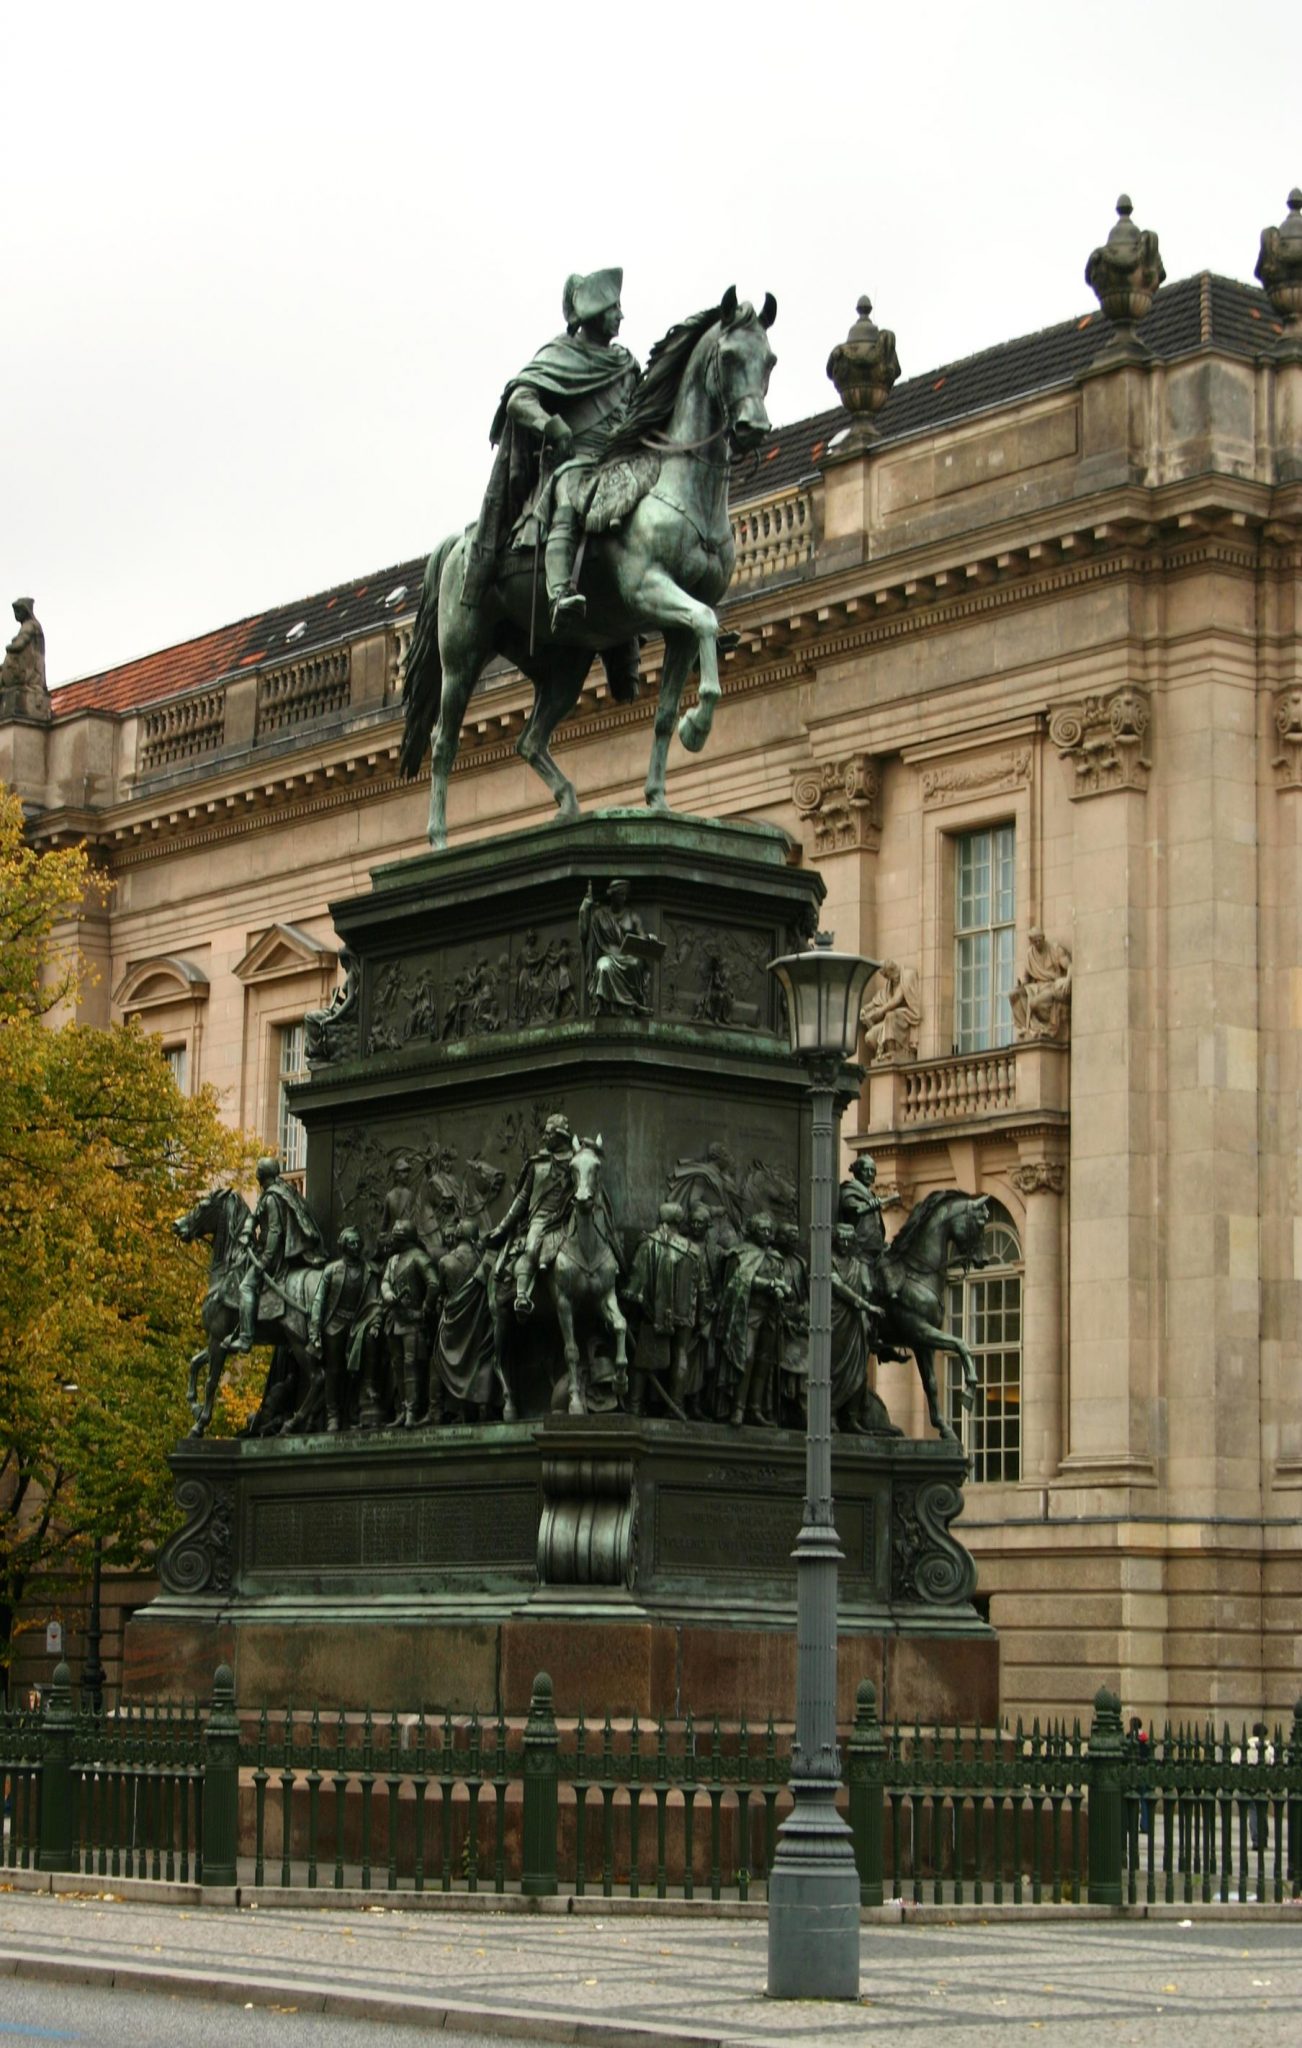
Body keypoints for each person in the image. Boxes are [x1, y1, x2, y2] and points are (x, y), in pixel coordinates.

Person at [463, 268, 641, 642]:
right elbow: (518, 400)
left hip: (620, 462)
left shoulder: (626, 364)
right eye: (614, 308)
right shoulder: (560, 354)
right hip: (575, 461)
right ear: (595, 312)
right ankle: (559, 592)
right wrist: (550, 425)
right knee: (571, 493)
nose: (621, 316)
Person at [225, 1157, 327, 1354]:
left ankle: (245, 1338)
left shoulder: (272, 1198)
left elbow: (275, 1232)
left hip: (273, 1255)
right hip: (262, 1249)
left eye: (258, 1171)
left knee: (246, 1286)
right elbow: (254, 1217)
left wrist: (265, 1261)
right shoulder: (273, 1192)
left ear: (261, 1174)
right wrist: (247, 1232)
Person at [486, 1112, 578, 1317]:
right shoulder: (537, 1164)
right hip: (541, 1218)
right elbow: (522, 1199)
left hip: (568, 1216)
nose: (544, 1138)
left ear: (560, 1136)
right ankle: (521, 1295)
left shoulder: (576, 1161)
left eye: (548, 1134)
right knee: (531, 1247)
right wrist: (502, 1227)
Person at [625, 1202, 699, 1417]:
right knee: (681, 1354)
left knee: (643, 1357)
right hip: (685, 1314)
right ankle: (676, 1405)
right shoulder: (692, 1250)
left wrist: (629, 1308)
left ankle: (636, 1405)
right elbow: (699, 1286)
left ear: (660, 1218)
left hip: (654, 1311)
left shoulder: (648, 1244)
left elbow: (636, 1283)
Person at [717, 1212, 789, 1427]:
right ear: (752, 1231)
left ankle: (755, 1408)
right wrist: (770, 1285)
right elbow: (737, 1280)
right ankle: (737, 1408)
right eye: (762, 1230)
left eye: (769, 1230)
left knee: (765, 1361)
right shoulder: (740, 1253)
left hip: (771, 1314)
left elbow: (784, 1283)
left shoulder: (775, 1257)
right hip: (748, 1313)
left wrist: (783, 1290)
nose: (767, 1234)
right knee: (745, 1358)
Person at [305, 1226, 371, 1432]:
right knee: (334, 1371)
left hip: (358, 1324)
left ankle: (353, 1412)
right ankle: (332, 1415)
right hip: (334, 1326)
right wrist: (314, 1332)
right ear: (343, 1246)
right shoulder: (332, 1270)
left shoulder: (368, 1270)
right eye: (351, 1243)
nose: (356, 1246)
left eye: (358, 1243)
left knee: (356, 1370)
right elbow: (318, 1302)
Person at [380, 1218, 440, 1428]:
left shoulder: (419, 1258)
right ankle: (403, 1409)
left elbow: (434, 1283)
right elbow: (386, 1281)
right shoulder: (393, 1260)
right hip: (394, 1321)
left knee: (412, 1365)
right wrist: (388, 1295)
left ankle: (413, 1411)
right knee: (398, 1367)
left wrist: (426, 1307)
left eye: (395, 1237)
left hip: (413, 1322)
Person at [579, 879, 656, 1016]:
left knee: (635, 963)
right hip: (608, 956)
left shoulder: (632, 915)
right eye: (621, 894)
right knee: (603, 967)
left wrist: (649, 938)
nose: (624, 898)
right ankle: (631, 1006)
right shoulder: (599, 915)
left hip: (628, 957)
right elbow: (584, 935)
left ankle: (633, 1003)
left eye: (625, 895)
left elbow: (642, 935)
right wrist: (584, 909)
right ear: (613, 896)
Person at [1009, 929, 1073, 1041]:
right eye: (1035, 941)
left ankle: (1043, 1027)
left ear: (1043, 938)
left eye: (1040, 940)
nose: (1038, 943)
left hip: (1052, 985)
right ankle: (1026, 1028)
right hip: (1035, 987)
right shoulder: (1030, 954)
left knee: (1034, 1003)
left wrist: (1067, 980)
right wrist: (1021, 985)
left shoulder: (1055, 949)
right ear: (1031, 942)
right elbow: (1026, 977)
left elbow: (1070, 967)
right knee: (1013, 995)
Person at [859, 959, 922, 1062]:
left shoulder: (907, 975)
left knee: (890, 1015)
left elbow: (896, 1000)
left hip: (908, 1016)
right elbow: (876, 1001)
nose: (886, 978)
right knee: (870, 1036)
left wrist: (881, 1011)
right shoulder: (889, 985)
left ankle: (892, 1053)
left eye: (886, 975)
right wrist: (864, 1010)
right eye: (885, 976)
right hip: (891, 1022)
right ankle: (885, 1053)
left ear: (891, 970)